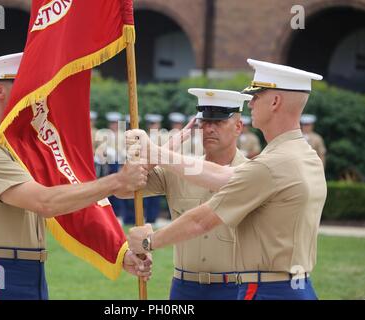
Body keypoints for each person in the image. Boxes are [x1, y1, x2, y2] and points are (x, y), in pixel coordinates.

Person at [0, 53, 151, 300]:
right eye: (28, 86)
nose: (39, 95)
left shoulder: (28, 146)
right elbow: (45, 202)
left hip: (31, 270)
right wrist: (117, 181)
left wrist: (120, 254)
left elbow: (68, 201)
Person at [126, 59, 327, 300]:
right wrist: (164, 150)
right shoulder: (303, 156)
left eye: (257, 96)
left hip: (269, 290)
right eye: (205, 122)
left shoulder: (270, 164)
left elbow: (201, 221)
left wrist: (149, 242)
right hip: (292, 286)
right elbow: (224, 176)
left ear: (275, 102)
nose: (251, 102)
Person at [120, 89, 251, 300]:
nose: (209, 128)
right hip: (184, 288)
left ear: (238, 127)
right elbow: (123, 187)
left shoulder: (254, 173)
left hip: (234, 288)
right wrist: (172, 143)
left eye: (218, 122)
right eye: (205, 122)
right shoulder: (177, 170)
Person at [143, 113, 169, 224]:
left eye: (155, 124)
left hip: (159, 166)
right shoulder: (145, 135)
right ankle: (149, 218)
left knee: (157, 194)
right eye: (151, 124)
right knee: (147, 194)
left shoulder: (162, 136)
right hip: (147, 166)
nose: (153, 126)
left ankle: (153, 218)